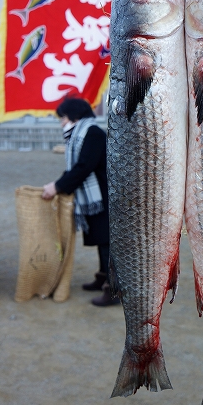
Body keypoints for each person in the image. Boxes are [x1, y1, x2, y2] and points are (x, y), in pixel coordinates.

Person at [42, 97, 119, 307]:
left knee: (107, 242)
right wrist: (58, 183)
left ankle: (113, 289)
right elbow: (77, 167)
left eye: (63, 118)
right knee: (102, 238)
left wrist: (57, 187)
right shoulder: (82, 132)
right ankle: (103, 276)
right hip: (97, 194)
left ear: (74, 116)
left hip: (105, 194)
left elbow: (84, 166)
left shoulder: (91, 133)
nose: (61, 123)